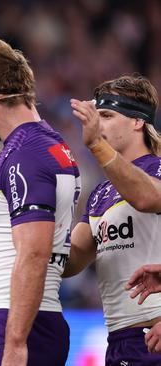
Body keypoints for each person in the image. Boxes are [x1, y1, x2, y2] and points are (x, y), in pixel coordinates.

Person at [0, 38, 80, 366]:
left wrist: (14, 340)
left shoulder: (25, 153)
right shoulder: (46, 144)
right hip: (14, 315)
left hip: (17, 326)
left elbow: (34, 253)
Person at [66, 75, 161, 362]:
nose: (99, 124)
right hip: (119, 339)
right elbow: (71, 261)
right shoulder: (101, 192)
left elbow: (145, 198)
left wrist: (96, 143)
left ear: (137, 122)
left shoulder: (157, 171)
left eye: (107, 116)